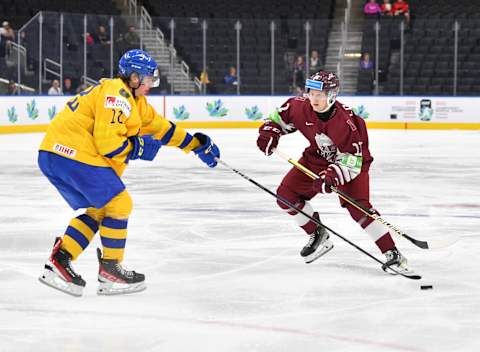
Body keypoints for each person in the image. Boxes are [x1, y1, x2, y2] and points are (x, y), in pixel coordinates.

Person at [37, 49, 221, 297]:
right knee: (120, 203)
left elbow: (162, 130)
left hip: (57, 153)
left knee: (100, 210)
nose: (150, 84)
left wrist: (195, 144)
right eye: (147, 79)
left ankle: (60, 260)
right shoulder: (117, 95)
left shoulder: (135, 102)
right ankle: (111, 270)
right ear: (133, 77)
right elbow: (108, 143)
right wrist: (138, 147)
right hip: (71, 152)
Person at [256, 71, 410, 273]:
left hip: (353, 161)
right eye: (311, 92)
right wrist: (269, 132)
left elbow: (353, 159)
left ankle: (392, 253)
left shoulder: (346, 123)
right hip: (317, 157)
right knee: (286, 195)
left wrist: (332, 177)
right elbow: (277, 118)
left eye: (319, 94)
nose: (314, 98)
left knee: (359, 209)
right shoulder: (298, 106)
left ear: (332, 95)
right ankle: (317, 233)